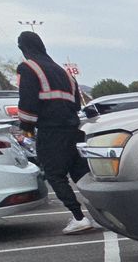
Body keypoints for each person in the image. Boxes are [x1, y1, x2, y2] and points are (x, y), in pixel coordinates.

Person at [15, 31, 97, 234]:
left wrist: (25, 128)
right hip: (72, 128)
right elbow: (76, 102)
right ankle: (101, 212)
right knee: (81, 173)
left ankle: (79, 217)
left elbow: (27, 101)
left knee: (55, 174)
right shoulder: (64, 73)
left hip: (51, 130)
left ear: (24, 48)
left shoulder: (29, 68)